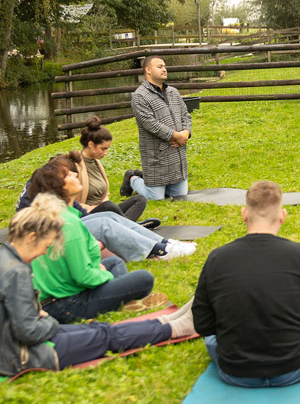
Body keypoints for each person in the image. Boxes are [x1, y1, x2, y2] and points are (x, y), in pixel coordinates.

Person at [0, 193, 195, 381]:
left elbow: (6, 315)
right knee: (106, 337)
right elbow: (31, 332)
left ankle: (165, 322)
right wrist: (45, 320)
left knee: (100, 329)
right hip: (23, 355)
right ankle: (175, 329)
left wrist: (36, 316)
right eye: (46, 244)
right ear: (32, 236)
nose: (46, 251)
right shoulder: (17, 272)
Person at [192, 180, 300, 387]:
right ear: (282, 216)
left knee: (212, 340)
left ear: (244, 214)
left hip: (235, 370)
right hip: (294, 369)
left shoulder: (217, 258)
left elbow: (203, 324)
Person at [26, 155, 166, 322]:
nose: (76, 175)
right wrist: (102, 273)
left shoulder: (58, 214)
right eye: (69, 175)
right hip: (66, 305)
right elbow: (83, 277)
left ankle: (116, 301)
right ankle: (116, 301)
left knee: (115, 263)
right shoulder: (68, 224)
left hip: (62, 293)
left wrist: (98, 269)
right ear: (59, 187)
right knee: (144, 278)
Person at [24, 151, 195, 262]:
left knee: (109, 215)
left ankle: (164, 243)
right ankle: (157, 251)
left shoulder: (53, 186)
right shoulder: (43, 188)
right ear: (57, 178)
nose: (77, 177)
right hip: (53, 234)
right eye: (71, 175)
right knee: (104, 222)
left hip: (67, 224)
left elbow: (78, 212)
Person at [121, 56, 192, 201]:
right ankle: (133, 179)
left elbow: (185, 114)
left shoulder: (173, 92)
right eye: (159, 67)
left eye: (165, 66)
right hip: (156, 157)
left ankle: (156, 183)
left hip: (177, 155)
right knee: (156, 198)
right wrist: (175, 135)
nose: (164, 69)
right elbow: (149, 123)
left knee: (180, 196)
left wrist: (186, 133)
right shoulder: (139, 96)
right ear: (148, 70)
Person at [74, 116, 150, 224]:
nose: (106, 153)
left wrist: (103, 204)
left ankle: (125, 225)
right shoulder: (74, 165)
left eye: (107, 149)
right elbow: (67, 202)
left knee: (140, 199)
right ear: (91, 144)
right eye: (103, 149)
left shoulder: (96, 163)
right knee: (109, 206)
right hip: (86, 214)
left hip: (104, 210)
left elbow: (105, 196)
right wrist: (89, 207)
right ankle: (129, 226)